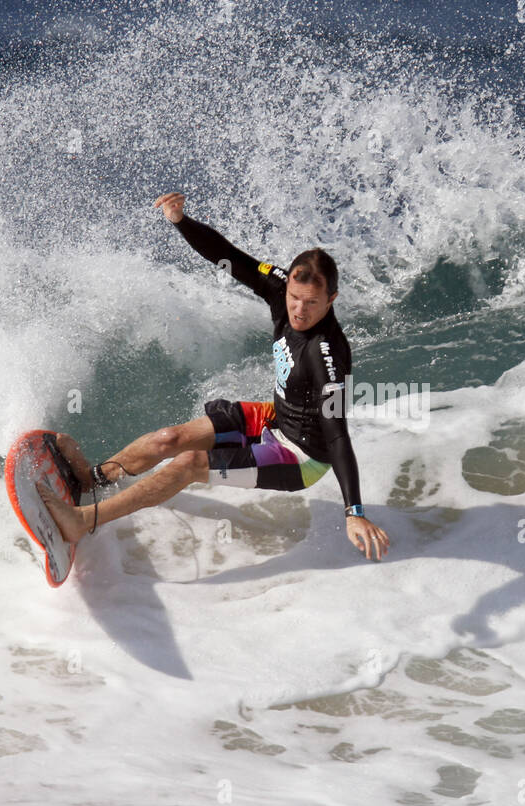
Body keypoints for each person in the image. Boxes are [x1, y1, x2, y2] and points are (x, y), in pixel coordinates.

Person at [35, 191, 391, 561]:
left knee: (188, 464)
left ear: (331, 299)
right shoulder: (281, 288)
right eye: (294, 298)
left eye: (312, 303)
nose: (299, 310)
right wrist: (181, 221)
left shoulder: (327, 354)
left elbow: (336, 435)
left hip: (300, 454)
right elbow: (231, 259)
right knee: (168, 439)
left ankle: (84, 520)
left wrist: (354, 512)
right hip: (274, 416)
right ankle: (93, 479)